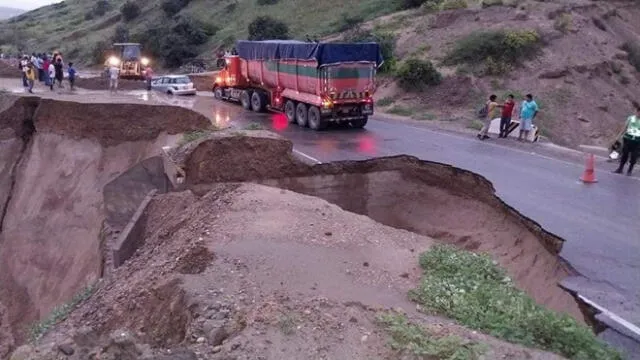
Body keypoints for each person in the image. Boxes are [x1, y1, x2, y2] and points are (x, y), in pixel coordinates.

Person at [614, 105, 640, 175]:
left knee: (634, 156)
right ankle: (620, 168)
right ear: (637, 111)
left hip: (637, 141)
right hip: (628, 139)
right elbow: (624, 128)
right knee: (625, 154)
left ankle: (629, 170)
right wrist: (618, 136)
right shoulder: (630, 118)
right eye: (639, 112)